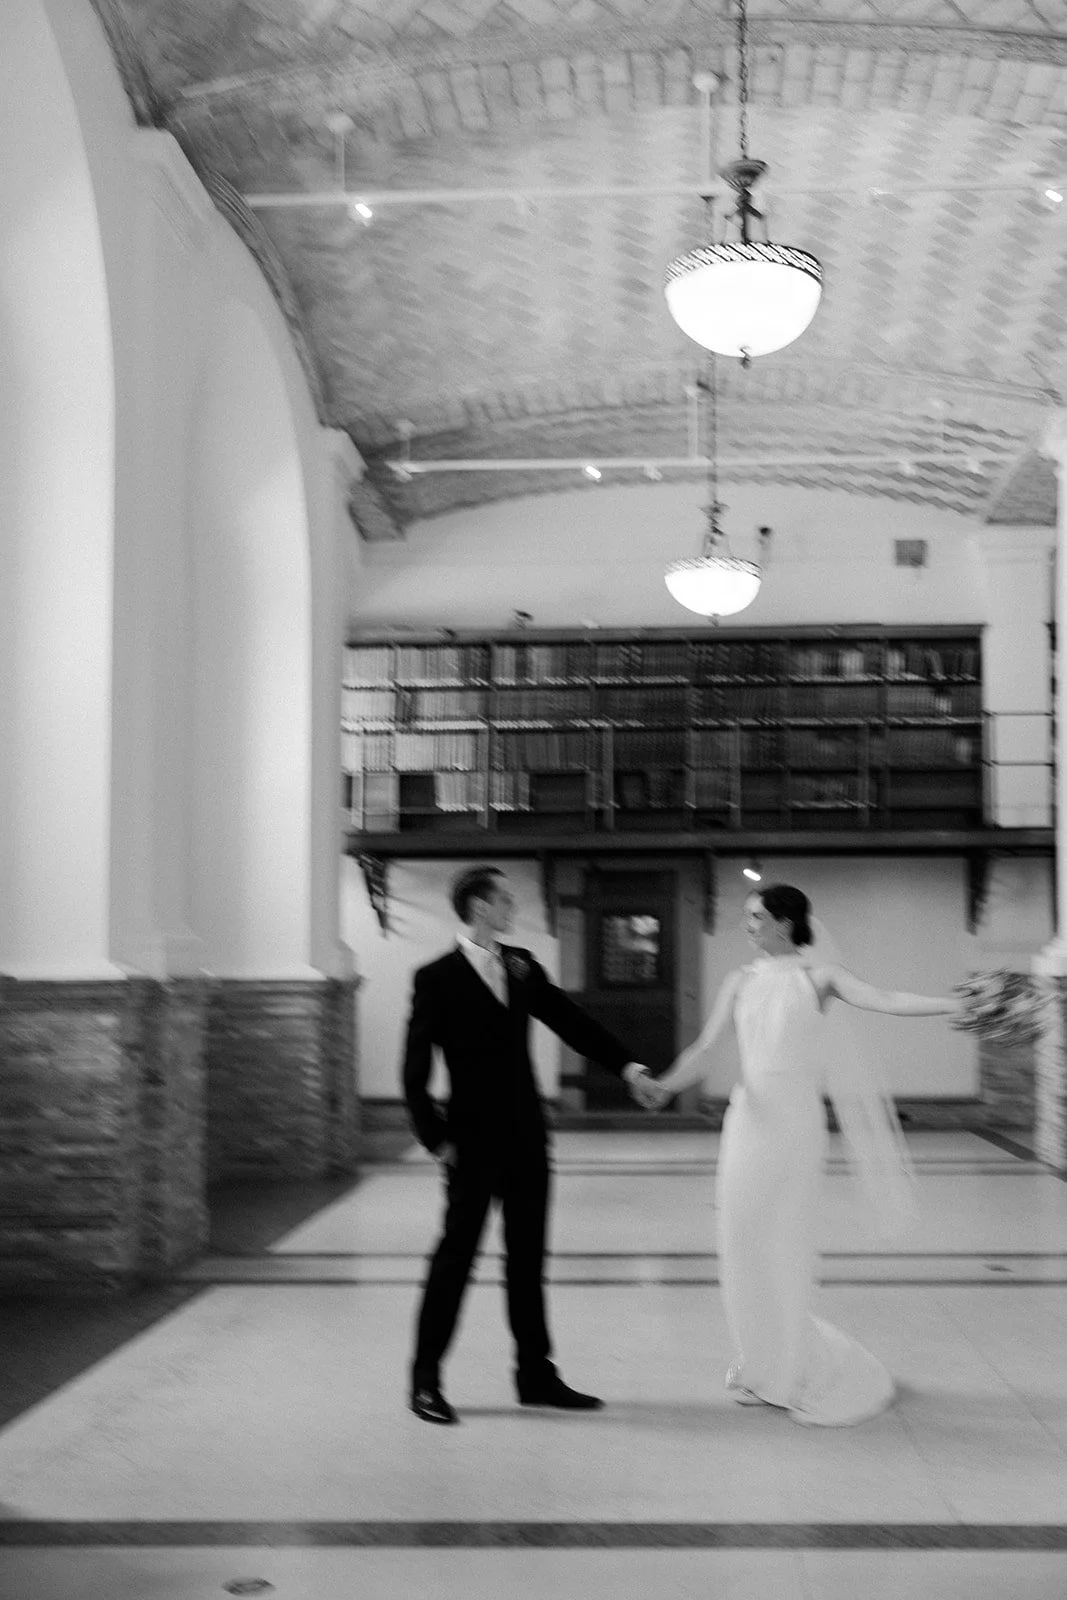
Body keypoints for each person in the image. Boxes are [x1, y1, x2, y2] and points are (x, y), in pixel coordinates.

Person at [636, 883, 960, 1426]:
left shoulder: (820, 978)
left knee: (785, 1241)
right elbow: (706, 1049)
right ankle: (760, 1360)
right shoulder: (740, 980)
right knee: (740, 1237)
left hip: (795, 1126)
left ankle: (792, 1365)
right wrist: (665, 1086)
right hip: (749, 1123)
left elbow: (887, 999)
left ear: (785, 923)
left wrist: (957, 1003)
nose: (748, 925)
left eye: (756, 917)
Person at [402, 864, 651, 1425]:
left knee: (527, 1260)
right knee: (454, 1261)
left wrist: (628, 1067)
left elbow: (571, 1021)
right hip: (469, 1143)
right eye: (505, 899)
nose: (513, 907)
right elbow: (413, 1072)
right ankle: (424, 1381)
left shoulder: (521, 965)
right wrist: (437, 1140)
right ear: (481, 907)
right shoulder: (434, 978)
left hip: (526, 1137)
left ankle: (535, 1375)